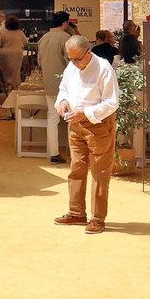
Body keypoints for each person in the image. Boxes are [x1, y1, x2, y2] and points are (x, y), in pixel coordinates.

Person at [55, 35, 119, 233]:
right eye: (70, 59)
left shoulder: (104, 68)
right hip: (75, 125)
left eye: (78, 59)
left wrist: (85, 113)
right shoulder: (72, 67)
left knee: (100, 173)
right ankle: (76, 213)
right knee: (77, 169)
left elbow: (111, 102)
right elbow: (63, 89)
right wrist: (63, 102)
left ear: (89, 52)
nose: (74, 63)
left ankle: (98, 218)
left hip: (97, 126)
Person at [36, 11, 73, 164]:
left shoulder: (43, 38)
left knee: (52, 118)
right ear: (65, 23)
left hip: (49, 83)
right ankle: (73, 152)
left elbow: (39, 61)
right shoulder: (66, 38)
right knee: (72, 119)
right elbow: (71, 62)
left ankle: (54, 153)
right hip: (67, 85)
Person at [0, 15, 28, 94]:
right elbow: (26, 43)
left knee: (6, 73)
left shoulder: (4, 32)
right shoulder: (20, 33)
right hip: (18, 54)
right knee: (15, 73)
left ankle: (6, 86)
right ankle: (15, 88)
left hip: (5, 55)